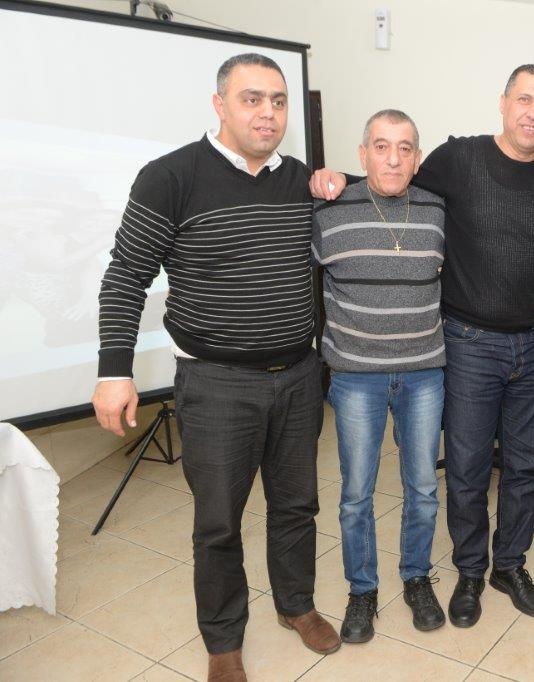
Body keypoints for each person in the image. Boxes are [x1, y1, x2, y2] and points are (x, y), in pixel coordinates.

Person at [92, 53, 339, 682]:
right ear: (219, 103)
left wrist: (338, 178)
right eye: (252, 99)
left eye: (278, 101)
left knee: (296, 505)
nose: (268, 113)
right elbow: (125, 276)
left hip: (299, 376)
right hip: (216, 383)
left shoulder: (300, 180)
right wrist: (114, 370)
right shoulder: (170, 176)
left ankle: (296, 604)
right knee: (219, 521)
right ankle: (224, 639)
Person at [311, 64, 534, 627]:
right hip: (462, 345)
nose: (533, 113)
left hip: (522, 348)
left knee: (519, 469)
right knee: (460, 470)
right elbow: (387, 176)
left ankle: (506, 567)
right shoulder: (457, 159)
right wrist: (327, 178)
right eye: (524, 99)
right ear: (503, 102)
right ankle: (464, 573)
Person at [313, 109, 446, 643]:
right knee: (355, 494)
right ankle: (362, 590)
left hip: (424, 374)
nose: (394, 158)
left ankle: (416, 577)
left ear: (417, 157)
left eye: (405, 148)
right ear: (362, 153)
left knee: (423, 489)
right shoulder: (327, 211)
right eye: (382, 146)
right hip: (356, 378)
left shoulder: (437, 209)